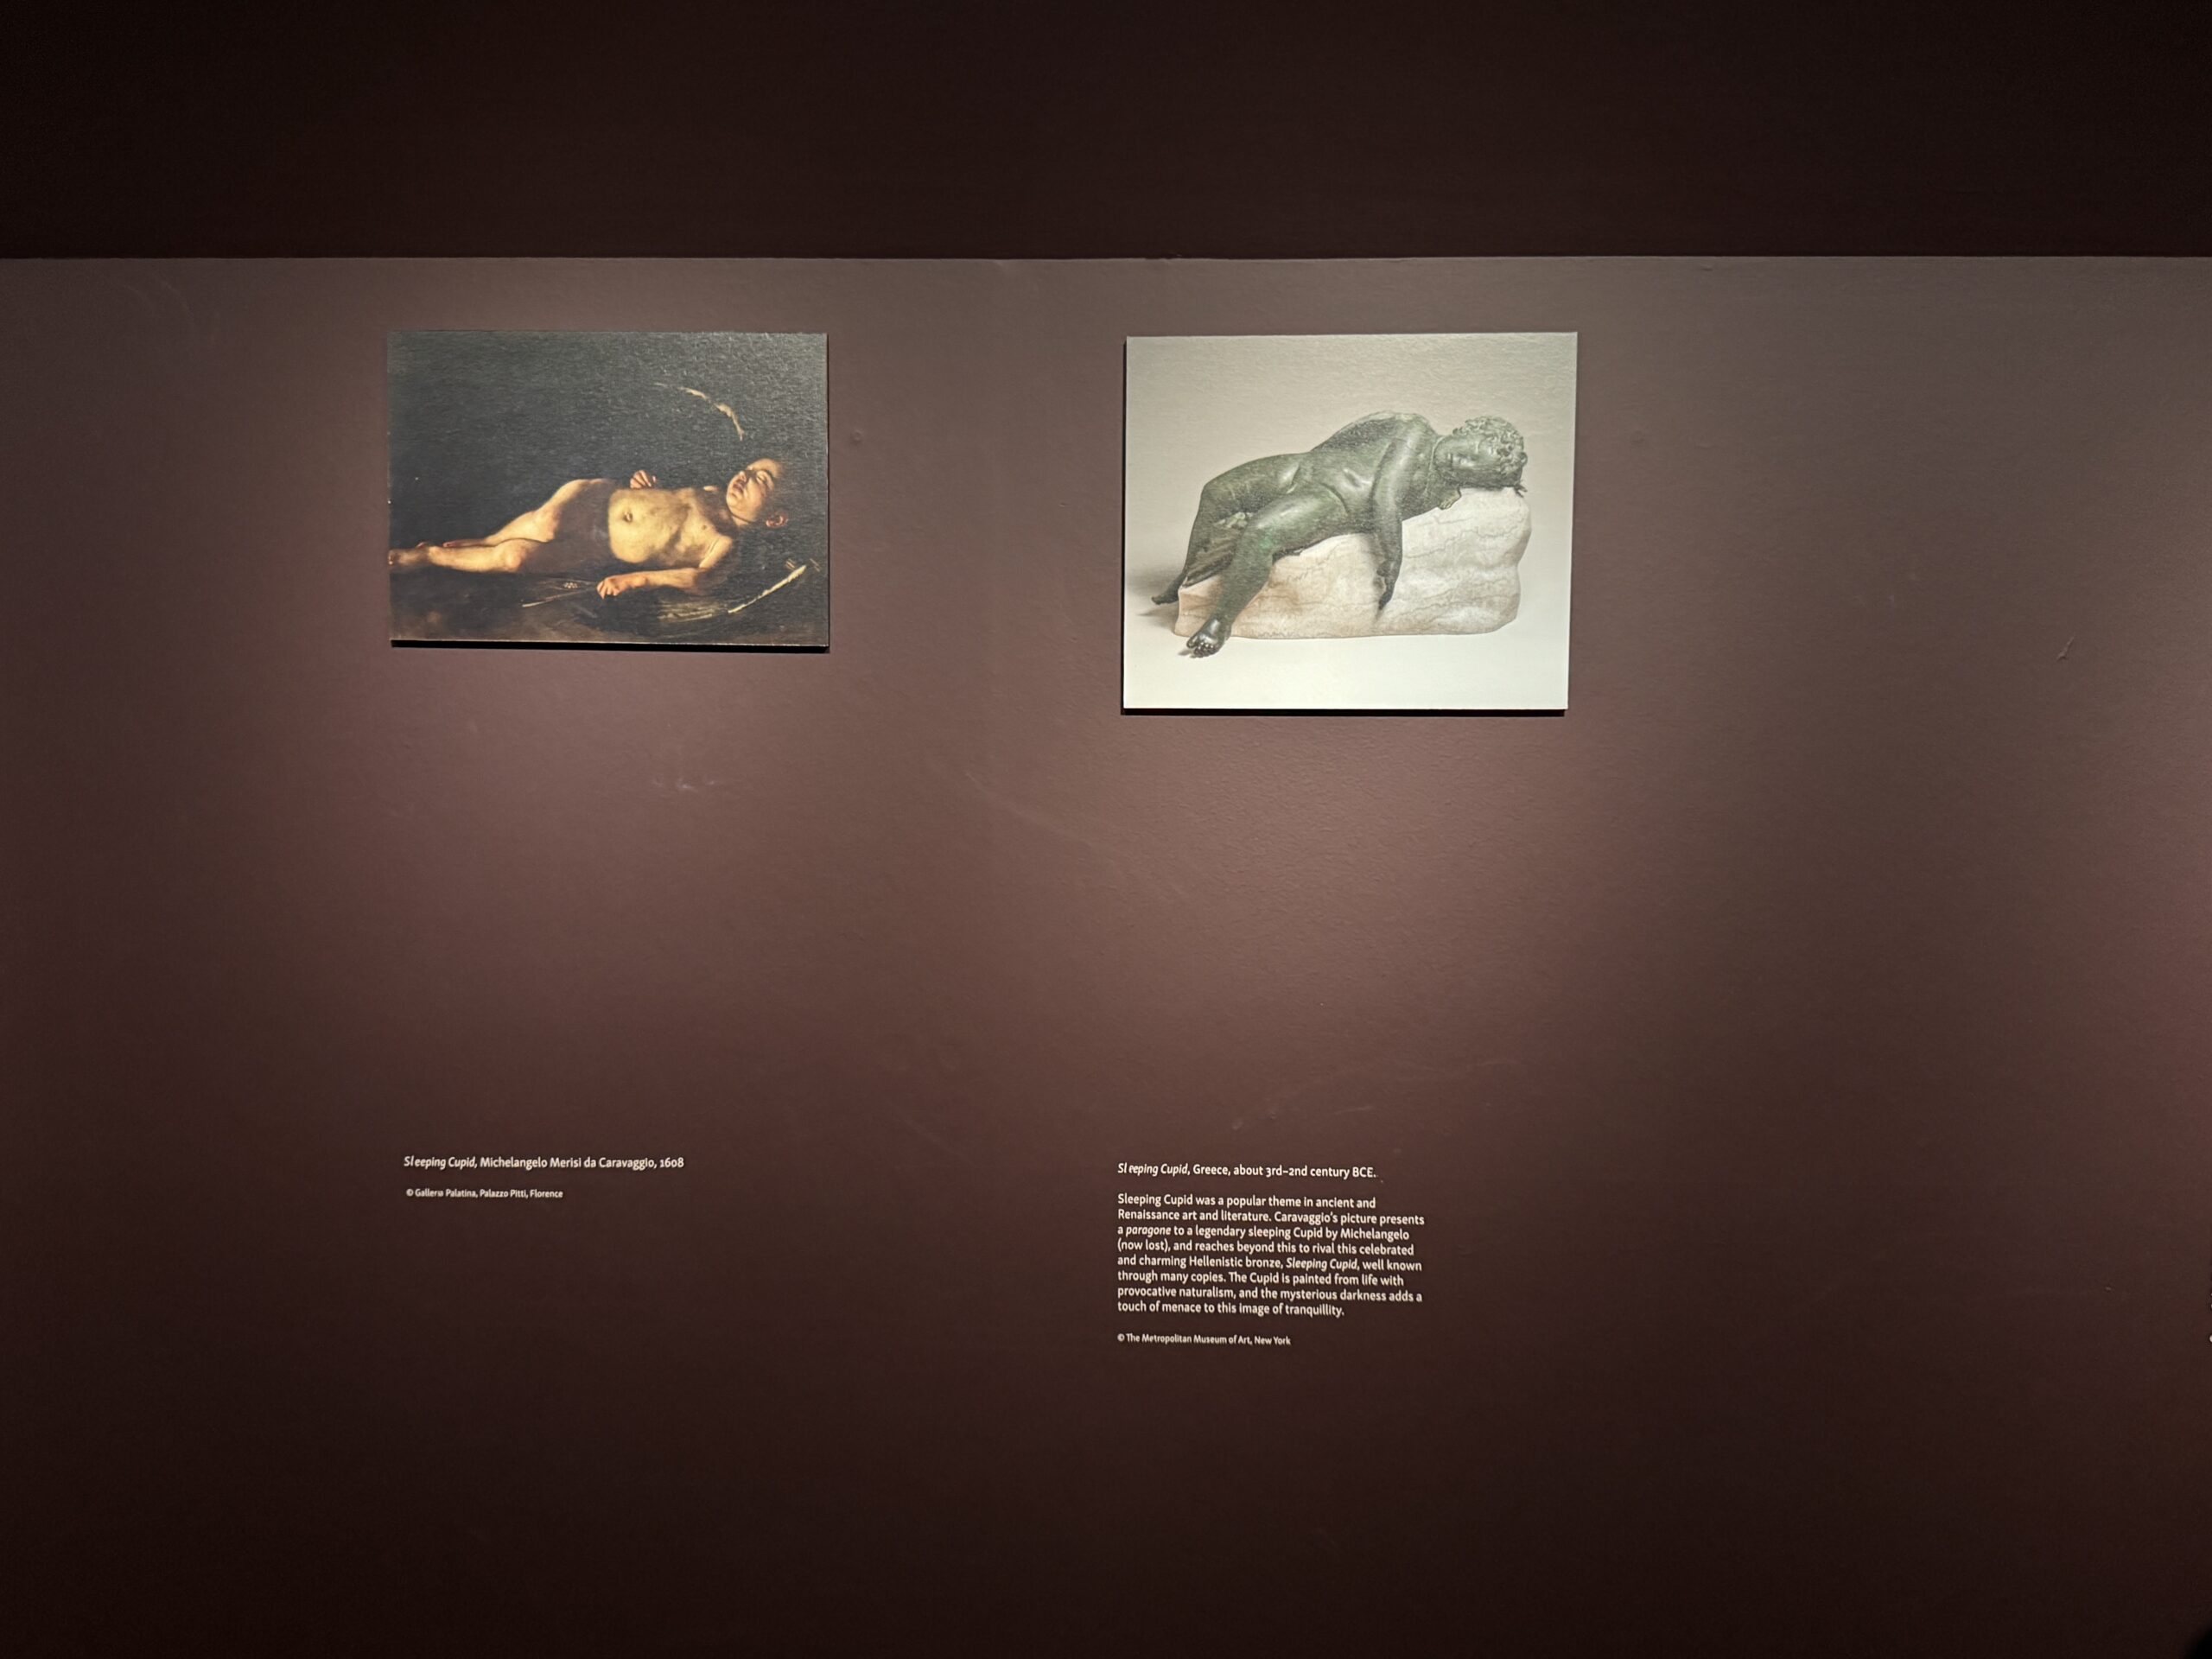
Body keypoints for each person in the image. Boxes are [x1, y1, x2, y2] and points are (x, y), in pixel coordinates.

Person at [1156, 413, 1526, 656]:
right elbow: (1384, 493)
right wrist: (1394, 557)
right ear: (1470, 431)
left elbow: (1385, 502)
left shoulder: (1443, 491)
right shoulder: (1416, 430)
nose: (1463, 463)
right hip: (1303, 466)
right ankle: (1186, 574)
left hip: (1330, 499)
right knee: (1216, 491)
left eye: (1474, 469)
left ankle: (1220, 621)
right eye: (1472, 451)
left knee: (1262, 533)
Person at [390, 460, 790, 598]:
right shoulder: (711, 491)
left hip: (597, 549)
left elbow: (698, 580)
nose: (745, 475)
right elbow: (669, 504)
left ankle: (432, 556)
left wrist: (636, 580)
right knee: (547, 522)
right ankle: (485, 539)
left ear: (775, 519)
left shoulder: (726, 544)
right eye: (749, 468)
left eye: (762, 480)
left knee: (515, 558)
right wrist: (647, 486)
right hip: (597, 500)